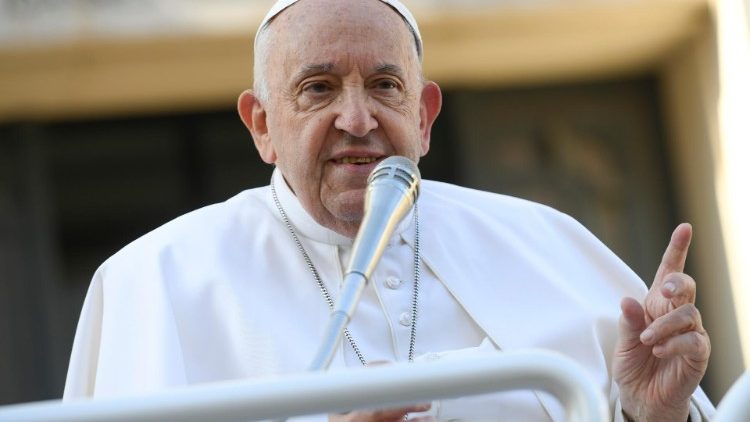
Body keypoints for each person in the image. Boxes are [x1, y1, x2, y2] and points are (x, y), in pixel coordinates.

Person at [63, 0, 715, 420]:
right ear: (261, 125)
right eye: (318, 89)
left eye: (384, 85)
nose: (357, 118)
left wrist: (651, 415)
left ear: (424, 116)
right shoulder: (155, 281)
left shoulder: (545, 243)